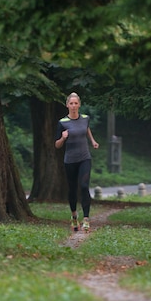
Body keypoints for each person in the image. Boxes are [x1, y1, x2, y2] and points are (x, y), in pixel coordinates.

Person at [55, 92, 99, 232]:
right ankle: (74, 216)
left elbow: (86, 128)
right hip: (70, 160)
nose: (74, 106)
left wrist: (92, 141)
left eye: (76, 103)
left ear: (79, 105)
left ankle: (86, 219)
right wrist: (63, 138)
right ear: (67, 105)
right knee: (73, 189)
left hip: (84, 157)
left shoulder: (85, 118)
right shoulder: (62, 122)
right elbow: (57, 145)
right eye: (71, 103)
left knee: (84, 186)